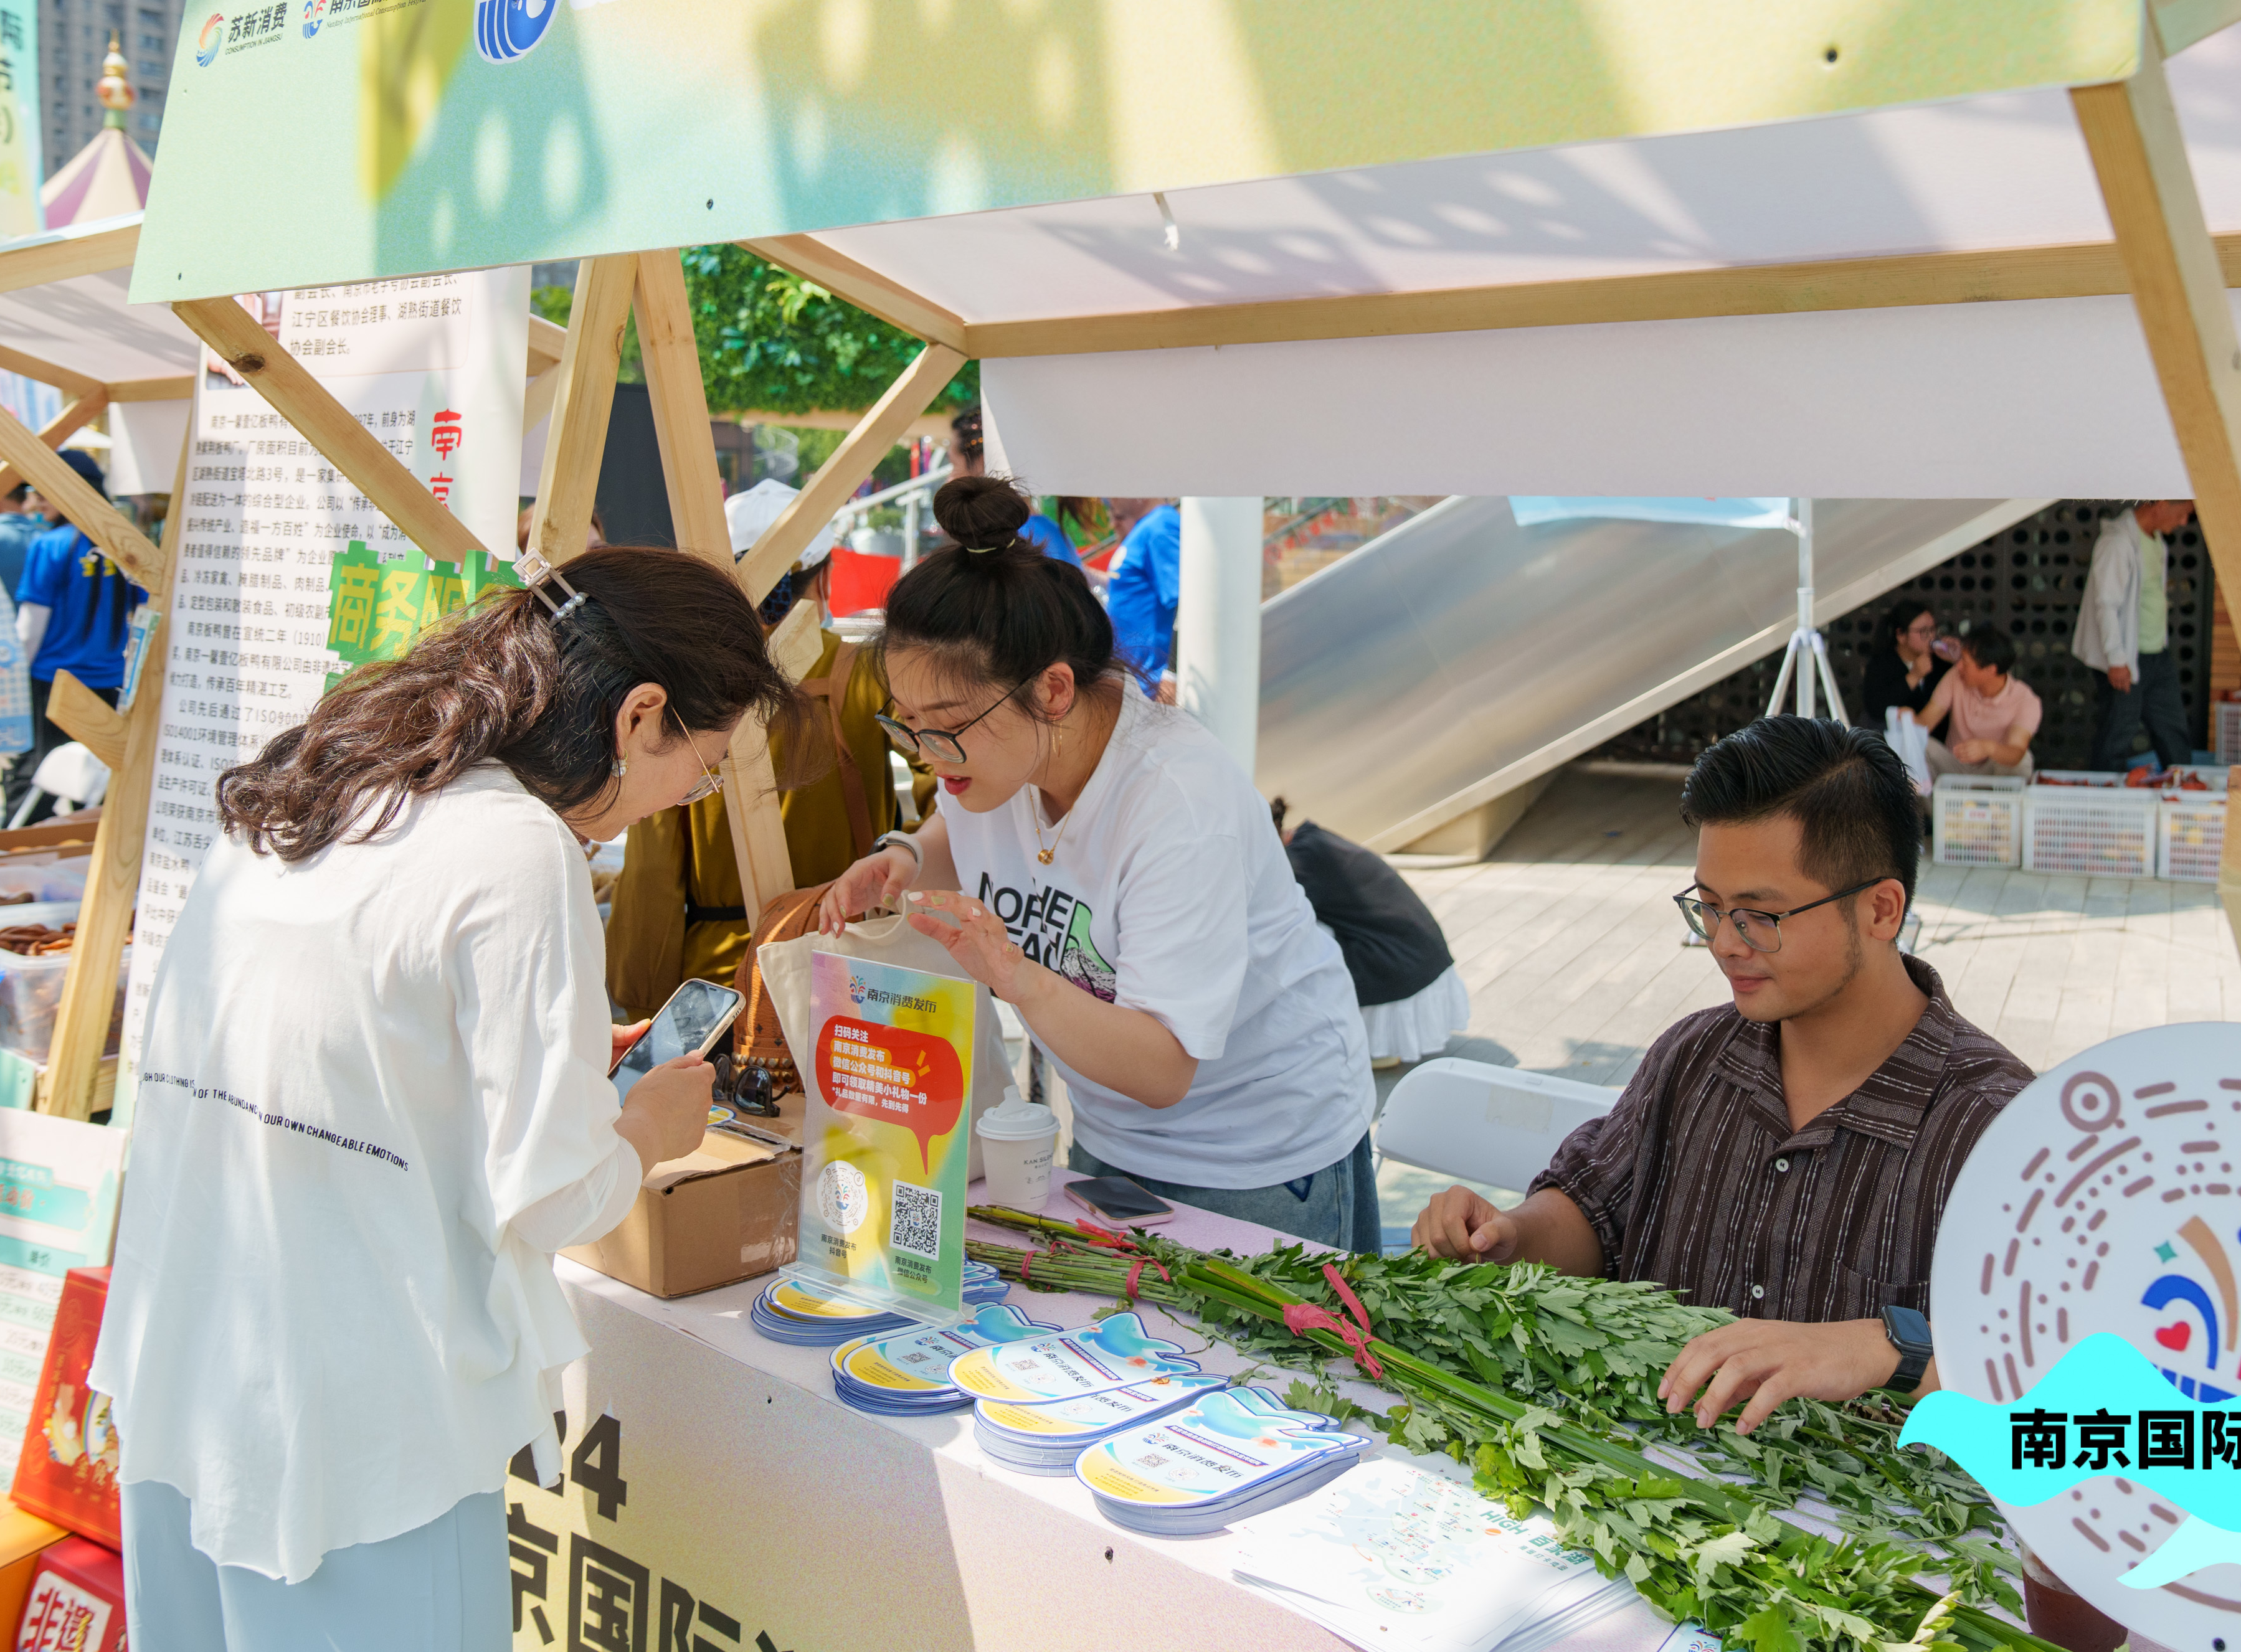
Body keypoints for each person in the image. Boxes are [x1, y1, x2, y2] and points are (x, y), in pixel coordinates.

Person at [94, 545, 794, 1649]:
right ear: (641, 713)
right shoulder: (518, 846)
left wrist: (548, 1066)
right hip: (364, 1422)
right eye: (700, 768)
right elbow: (558, 1194)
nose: (681, 801)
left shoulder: (335, 772)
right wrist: (650, 1129)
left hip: (186, 1366)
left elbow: (341, 1059)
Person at [1411, 717, 2030, 1431]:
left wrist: (1893, 1349)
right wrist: (1510, 1239)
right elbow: (1596, 1214)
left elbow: (2073, 1390)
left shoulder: (2000, 1128)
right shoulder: (1694, 1055)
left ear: (1880, 909)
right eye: (1707, 907)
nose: (1723, 944)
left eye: (1760, 916)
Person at [821, 476, 1380, 1250]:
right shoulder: (997, 764)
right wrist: (905, 857)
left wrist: (1014, 975)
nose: (925, 754)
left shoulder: (1175, 801)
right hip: (1110, 1141)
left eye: (946, 727)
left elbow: (1161, 1068)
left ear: (1052, 691)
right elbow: (960, 826)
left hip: (1255, 1158)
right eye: (907, 723)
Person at [610, 483, 931, 1065]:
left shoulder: (682, 691)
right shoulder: (869, 673)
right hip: (848, 970)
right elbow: (947, 791)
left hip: (714, 989)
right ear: (825, 578)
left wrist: (642, 998)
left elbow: (655, 864)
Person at [1271, 798, 1470, 1069]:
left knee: (1292, 940)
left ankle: (1369, 1043)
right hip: (1422, 958)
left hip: (1401, 965)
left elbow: (1272, 920)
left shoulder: (1300, 861)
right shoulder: (1310, 839)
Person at [10, 450, 147, 805]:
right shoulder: (127, 542)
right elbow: (147, 615)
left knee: (42, 778)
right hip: (111, 680)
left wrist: (15, 675)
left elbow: (31, 626)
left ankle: (33, 845)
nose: (34, 503)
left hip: (55, 681)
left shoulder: (49, 545)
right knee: (95, 782)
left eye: (41, 493)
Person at [2075, 501, 2196, 771]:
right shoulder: (2118, 542)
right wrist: (2117, 659)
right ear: (2161, 505)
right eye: (2184, 513)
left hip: (2156, 654)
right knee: (2117, 734)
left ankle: (2182, 796)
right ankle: (2103, 806)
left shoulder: (2156, 542)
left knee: (2173, 731)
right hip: (2126, 657)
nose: (2183, 522)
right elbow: (2106, 604)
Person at [947, 407, 1081, 567]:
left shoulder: (1009, 540)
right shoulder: (1043, 531)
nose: (950, 480)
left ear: (983, 463)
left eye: (954, 465)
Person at [1913, 623, 2040, 778]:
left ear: (1990, 670)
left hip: (1994, 771)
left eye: (1965, 662)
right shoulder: (1956, 677)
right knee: (1919, 746)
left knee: (2023, 760)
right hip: (1954, 766)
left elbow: (2017, 751)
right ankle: (1929, 804)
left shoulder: (2025, 700)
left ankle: (2006, 802)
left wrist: (1989, 748)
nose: (1958, 666)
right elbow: (1925, 723)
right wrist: (1908, 719)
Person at [1102, 499, 1180, 695]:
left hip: (1153, 684)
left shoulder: (1161, 526)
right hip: (1136, 683)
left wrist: (1171, 675)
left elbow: (1185, 603)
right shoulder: (1150, 527)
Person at [1855, 601, 1953, 734]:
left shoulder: (1941, 663)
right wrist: (1914, 677)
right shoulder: (1881, 664)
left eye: (1933, 629)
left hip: (1935, 744)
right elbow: (1876, 709)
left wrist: (1954, 658)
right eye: (1923, 631)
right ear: (1901, 635)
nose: (1931, 637)